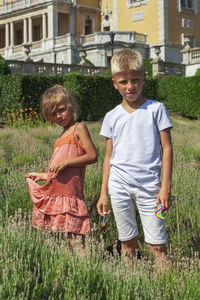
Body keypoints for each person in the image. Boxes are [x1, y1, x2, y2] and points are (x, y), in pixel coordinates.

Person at [96, 49, 173, 269]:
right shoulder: (111, 116)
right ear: (114, 83)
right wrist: (104, 193)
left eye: (135, 80)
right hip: (118, 188)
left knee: (157, 245)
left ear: (144, 79)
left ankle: (165, 287)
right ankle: (130, 286)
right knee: (127, 241)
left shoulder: (156, 110)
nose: (130, 86)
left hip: (152, 189)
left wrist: (165, 187)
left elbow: (167, 149)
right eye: (123, 82)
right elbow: (108, 157)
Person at [26, 85, 97, 253]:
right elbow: (57, 170)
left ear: (71, 105)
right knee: (65, 238)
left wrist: (67, 163)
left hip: (71, 194)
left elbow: (92, 156)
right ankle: (73, 271)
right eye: (53, 113)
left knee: (77, 238)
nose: (58, 116)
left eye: (61, 110)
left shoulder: (78, 128)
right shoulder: (60, 136)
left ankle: (84, 272)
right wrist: (42, 175)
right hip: (59, 194)